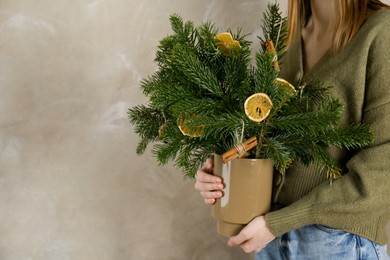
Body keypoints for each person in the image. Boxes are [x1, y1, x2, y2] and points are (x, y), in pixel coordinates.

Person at [194, 0, 390, 259]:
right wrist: (221, 169)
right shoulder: (286, 37)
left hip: (337, 241)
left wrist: (282, 221)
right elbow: (267, 137)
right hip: (267, 235)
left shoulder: (381, 32)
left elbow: (383, 168)